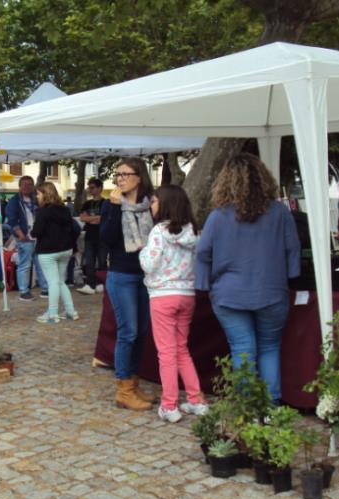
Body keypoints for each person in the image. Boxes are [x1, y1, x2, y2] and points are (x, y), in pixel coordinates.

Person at [195, 153, 300, 403]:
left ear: (226, 181)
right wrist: (292, 277)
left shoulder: (218, 216)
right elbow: (292, 248)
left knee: (243, 349)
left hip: (229, 294)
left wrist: (203, 284)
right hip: (272, 291)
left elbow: (202, 252)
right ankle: (270, 408)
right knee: (269, 348)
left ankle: (247, 410)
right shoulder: (280, 212)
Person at [138, 184, 208, 423]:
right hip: (187, 295)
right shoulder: (194, 231)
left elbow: (149, 264)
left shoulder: (158, 231)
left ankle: (169, 405)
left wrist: (142, 252)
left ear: (165, 203)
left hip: (162, 296)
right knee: (181, 349)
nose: (152, 205)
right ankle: (196, 399)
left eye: (155, 201)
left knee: (166, 353)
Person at [100, 157, 156, 411]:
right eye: (118, 174)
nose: (120, 178)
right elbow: (107, 240)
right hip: (122, 275)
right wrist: (113, 208)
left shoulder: (150, 205)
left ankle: (133, 382)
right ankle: (123, 389)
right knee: (129, 331)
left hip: (146, 275)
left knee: (142, 331)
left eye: (125, 174)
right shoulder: (113, 204)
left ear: (139, 177)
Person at [30, 181, 78, 323]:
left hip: (48, 251)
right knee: (60, 282)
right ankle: (70, 311)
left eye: (38, 194)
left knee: (53, 283)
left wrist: (32, 232)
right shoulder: (64, 209)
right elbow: (72, 229)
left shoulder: (43, 212)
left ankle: (52, 313)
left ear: (45, 194)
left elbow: (36, 232)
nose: (37, 197)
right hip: (65, 249)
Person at [5, 175, 49, 301]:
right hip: (24, 237)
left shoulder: (37, 199)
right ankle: (24, 291)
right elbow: (12, 220)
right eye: (24, 184)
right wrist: (20, 235)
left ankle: (45, 288)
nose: (27, 187)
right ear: (19, 186)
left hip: (38, 236)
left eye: (30, 184)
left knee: (41, 264)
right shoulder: (14, 201)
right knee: (25, 264)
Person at [77, 177, 107, 295]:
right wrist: (95, 219)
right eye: (89, 187)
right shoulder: (87, 203)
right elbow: (82, 218)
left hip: (102, 236)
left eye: (93, 187)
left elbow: (104, 218)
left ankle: (101, 283)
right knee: (89, 261)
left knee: (102, 261)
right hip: (90, 236)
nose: (90, 190)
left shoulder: (106, 203)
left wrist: (91, 219)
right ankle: (90, 284)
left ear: (100, 188)